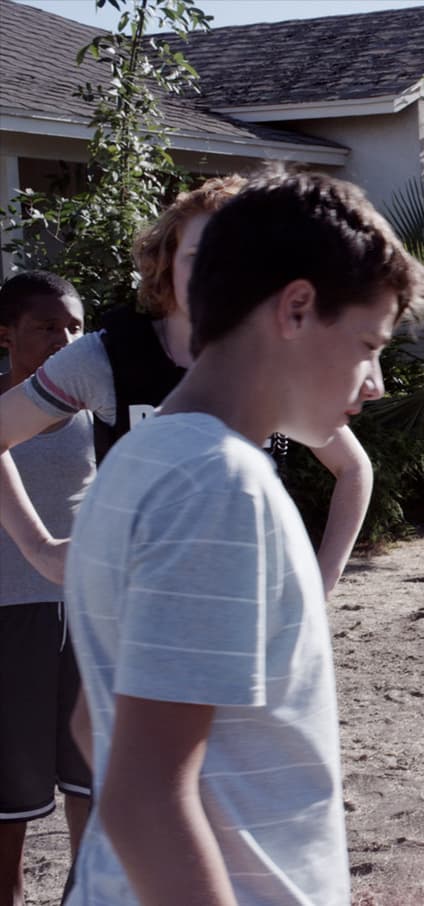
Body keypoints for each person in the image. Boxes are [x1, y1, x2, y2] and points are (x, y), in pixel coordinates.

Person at [60, 169, 424, 905]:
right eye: (368, 344)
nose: (376, 382)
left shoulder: (139, 458)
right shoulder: (218, 486)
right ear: (296, 308)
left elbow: (89, 724)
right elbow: (144, 796)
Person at [0, 175, 375, 595]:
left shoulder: (276, 363)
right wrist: (39, 548)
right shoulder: (106, 357)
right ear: (167, 263)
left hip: (254, 605)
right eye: (198, 256)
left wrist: (322, 580)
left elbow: (352, 468)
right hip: (139, 610)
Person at [0, 271, 93, 906]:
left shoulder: (99, 412)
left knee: (92, 781)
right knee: (9, 798)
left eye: (75, 328)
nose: (64, 341)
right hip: (9, 616)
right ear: (5, 334)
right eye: (46, 327)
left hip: (91, 613)